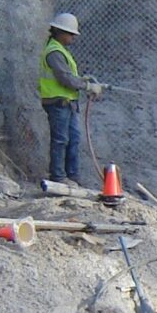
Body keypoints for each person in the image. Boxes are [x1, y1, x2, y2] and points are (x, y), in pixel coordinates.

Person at [37, 12, 103, 186]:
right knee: (61, 140)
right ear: (60, 32)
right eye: (71, 33)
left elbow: (69, 76)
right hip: (58, 103)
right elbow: (64, 78)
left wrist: (83, 80)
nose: (73, 37)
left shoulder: (60, 51)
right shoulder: (54, 52)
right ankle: (58, 177)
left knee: (73, 139)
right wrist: (86, 86)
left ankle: (72, 177)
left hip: (67, 104)